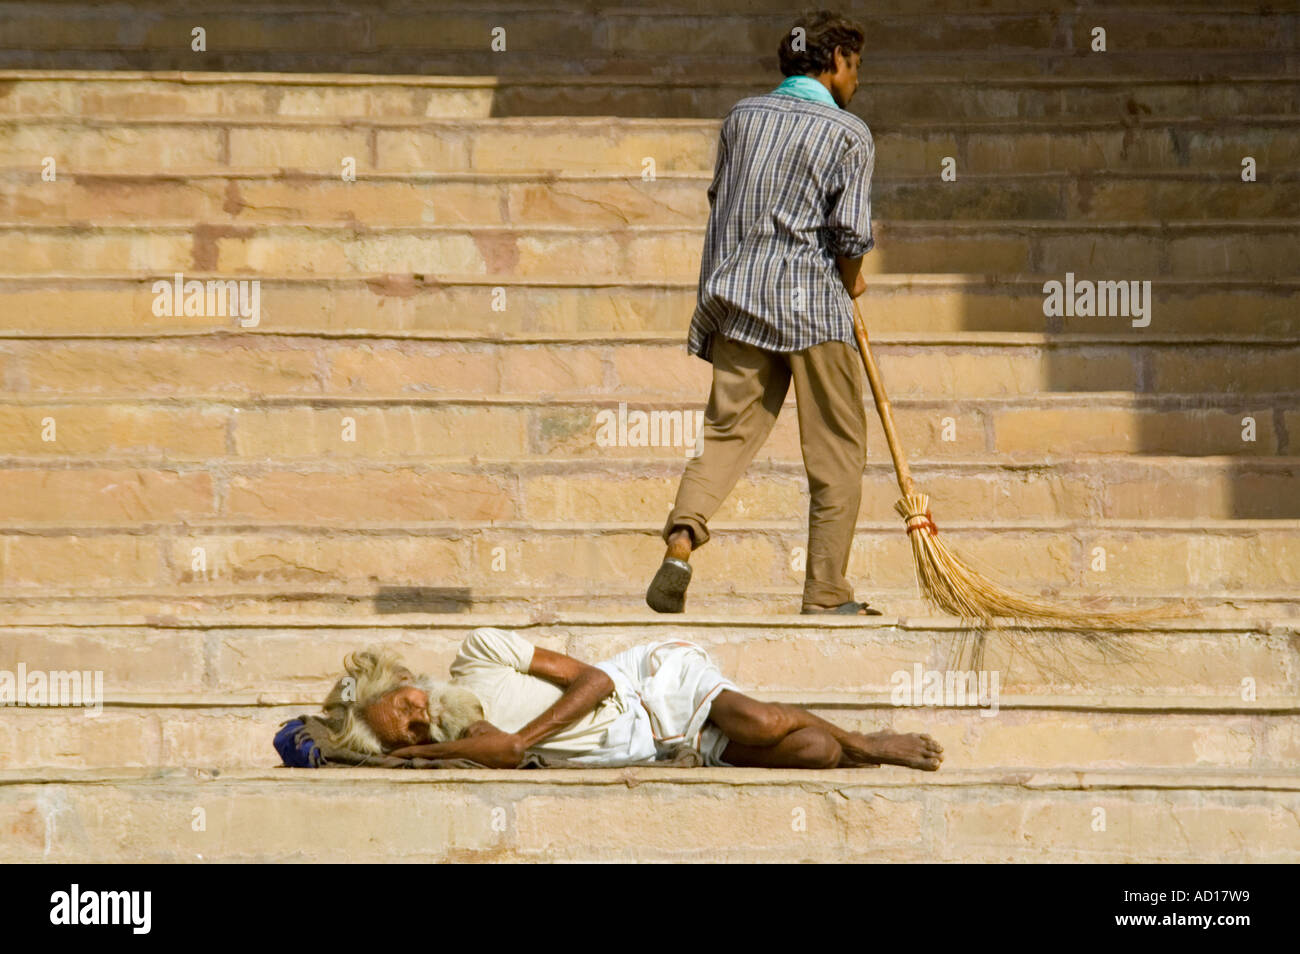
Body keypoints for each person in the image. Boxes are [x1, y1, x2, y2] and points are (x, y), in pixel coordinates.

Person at [647, 10, 880, 616]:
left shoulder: (741, 118)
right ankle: (826, 589)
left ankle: (681, 538)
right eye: (855, 68)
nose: (856, 82)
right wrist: (853, 286)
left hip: (740, 299)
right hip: (813, 310)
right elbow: (850, 236)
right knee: (837, 451)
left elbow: (721, 203)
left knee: (724, 437)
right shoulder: (849, 134)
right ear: (834, 63)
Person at [325, 627, 942, 771]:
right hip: (663, 747)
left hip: (648, 687)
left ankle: (871, 740)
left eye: (406, 703)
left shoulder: (479, 653)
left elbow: (595, 680)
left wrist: (525, 739)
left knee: (758, 719)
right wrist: (423, 755)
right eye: (406, 731)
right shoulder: (456, 745)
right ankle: (846, 750)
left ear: (409, 682)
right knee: (812, 754)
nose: (418, 718)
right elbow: (499, 752)